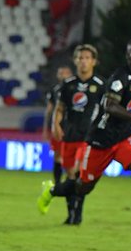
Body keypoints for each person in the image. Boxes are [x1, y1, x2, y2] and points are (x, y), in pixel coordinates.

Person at [44, 37, 131, 243]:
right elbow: (110, 106)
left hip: (124, 137)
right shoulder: (119, 77)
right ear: (129, 55)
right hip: (101, 139)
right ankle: (52, 190)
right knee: (83, 187)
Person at [37, 44, 104, 224]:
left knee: (78, 174)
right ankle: (71, 215)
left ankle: (73, 209)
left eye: (87, 58)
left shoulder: (99, 86)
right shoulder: (68, 85)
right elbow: (59, 109)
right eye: (80, 58)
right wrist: (56, 126)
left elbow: (106, 111)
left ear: (94, 62)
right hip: (69, 136)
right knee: (71, 177)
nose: (83, 61)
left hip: (88, 138)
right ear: (75, 61)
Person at [42, 64, 74, 186]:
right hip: (58, 126)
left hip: (73, 127)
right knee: (58, 156)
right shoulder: (55, 90)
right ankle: (57, 183)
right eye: (61, 73)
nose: (63, 75)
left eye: (65, 72)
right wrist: (46, 128)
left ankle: (71, 181)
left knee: (72, 156)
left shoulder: (76, 88)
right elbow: (49, 111)